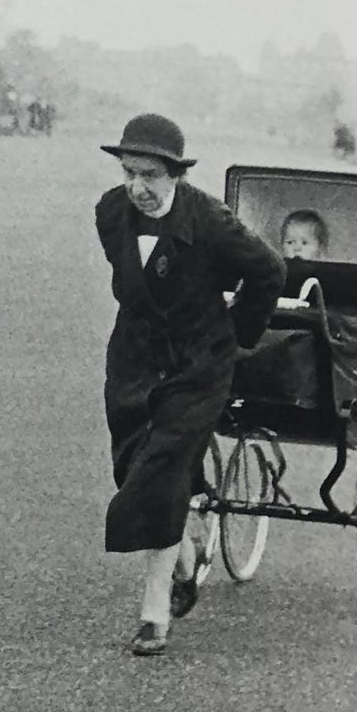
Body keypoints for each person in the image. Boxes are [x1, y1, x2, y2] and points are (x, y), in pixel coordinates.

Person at [95, 113, 284, 656]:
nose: (138, 187)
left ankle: (156, 610)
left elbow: (269, 269)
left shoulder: (211, 220)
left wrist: (239, 331)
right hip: (133, 356)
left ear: (175, 173)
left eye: (151, 175)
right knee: (132, 466)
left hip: (198, 362)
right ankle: (184, 550)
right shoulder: (111, 212)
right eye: (130, 173)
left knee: (160, 472)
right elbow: (128, 280)